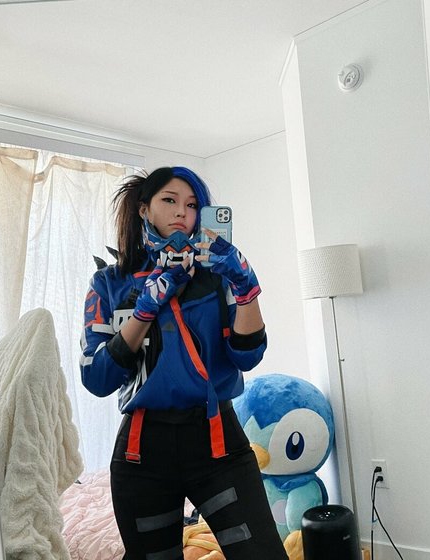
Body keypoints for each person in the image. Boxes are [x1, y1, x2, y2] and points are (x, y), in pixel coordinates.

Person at [80, 166, 288, 560]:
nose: (182, 212)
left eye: (192, 205)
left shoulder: (217, 274)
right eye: (170, 200)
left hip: (218, 442)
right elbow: (97, 377)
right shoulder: (109, 283)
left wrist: (246, 287)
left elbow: (247, 355)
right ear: (144, 209)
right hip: (143, 452)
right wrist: (145, 309)